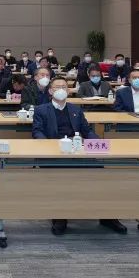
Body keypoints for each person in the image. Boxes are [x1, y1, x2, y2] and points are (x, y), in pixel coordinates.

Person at [31, 77, 102, 236]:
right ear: (50, 91)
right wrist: (50, 146)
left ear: (69, 91)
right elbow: (37, 132)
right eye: (57, 87)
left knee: (100, 169)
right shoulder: (41, 110)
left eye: (64, 87)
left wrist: (97, 142)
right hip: (54, 153)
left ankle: (107, 216)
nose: (61, 90)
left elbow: (87, 130)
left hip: (77, 151)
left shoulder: (76, 109)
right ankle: (60, 215)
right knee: (60, 175)